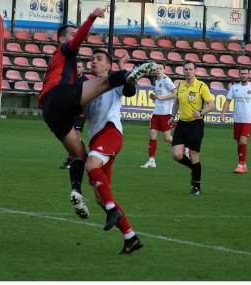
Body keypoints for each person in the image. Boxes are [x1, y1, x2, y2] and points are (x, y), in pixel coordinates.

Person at [37, 7, 156, 220]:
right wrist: (91, 17)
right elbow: (77, 42)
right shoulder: (65, 50)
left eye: (99, 59)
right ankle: (130, 73)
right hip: (65, 103)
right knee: (104, 82)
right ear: (62, 39)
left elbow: (124, 93)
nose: (76, 38)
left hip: (52, 112)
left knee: (79, 156)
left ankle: (76, 191)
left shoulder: (71, 71)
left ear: (107, 64)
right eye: (72, 34)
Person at [84, 49, 143, 254]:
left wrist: (122, 69)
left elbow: (129, 90)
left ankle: (112, 210)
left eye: (99, 59)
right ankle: (131, 238)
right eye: (92, 58)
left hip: (110, 133)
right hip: (96, 140)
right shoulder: (88, 86)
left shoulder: (113, 81)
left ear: (108, 66)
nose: (94, 61)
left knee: (91, 165)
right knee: (100, 197)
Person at [168, 60, 215, 195]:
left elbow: (211, 105)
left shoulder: (201, 86)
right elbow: (176, 103)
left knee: (194, 155)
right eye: (186, 69)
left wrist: (200, 112)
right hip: (182, 124)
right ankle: (194, 169)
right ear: (183, 71)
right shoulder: (180, 85)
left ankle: (197, 187)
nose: (188, 72)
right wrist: (172, 116)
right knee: (176, 154)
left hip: (196, 124)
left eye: (190, 69)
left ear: (196, 71)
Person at [141, 62, 189, 168]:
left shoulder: (166, 80)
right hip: (156, 113)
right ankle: (151, 160)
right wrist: (154, 97)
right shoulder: (157, 80)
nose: (158, 70)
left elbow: (175, 93)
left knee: (167, 138)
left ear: (164, 70)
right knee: (152, 135)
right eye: (157, 69)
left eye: (160, 68)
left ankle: (186, 149)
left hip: (165, 113)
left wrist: (162, 98)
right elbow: (160, 95)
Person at [220, 66, 251, 173]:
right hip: (237, 119)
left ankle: (240, 165)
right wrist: (223, 114)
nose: (243, 75)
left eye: (245, 73)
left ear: (248, 74)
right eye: (242, 73)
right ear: (239, 74)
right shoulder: (234, 87)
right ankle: (243, 165)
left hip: (248, 119)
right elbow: (227, 101)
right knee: (238, 143)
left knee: (242, 141)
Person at [60, 60, 89, 169]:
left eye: (79, 67)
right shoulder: (68, 80)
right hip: (68, 111)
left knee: (76, 135)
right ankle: (83, 156)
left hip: (80, 112)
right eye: (75, 66)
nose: (77, 69)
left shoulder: (86, 82)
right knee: (71, 137)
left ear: (83, 69)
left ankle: (71, 160)